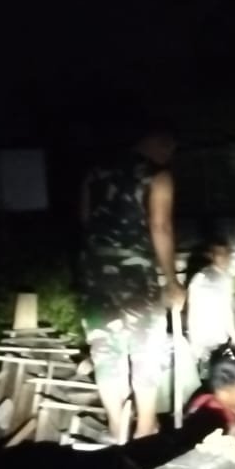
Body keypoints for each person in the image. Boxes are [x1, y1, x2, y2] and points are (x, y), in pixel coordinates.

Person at [77, 126, 185, 443]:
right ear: (161, 145)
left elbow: (85, 221)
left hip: (95, 274)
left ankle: (116, 429)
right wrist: (172, 280)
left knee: (105, 350)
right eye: (169, 151)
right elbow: (160, 227)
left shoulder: (94, 174)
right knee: (145, 348)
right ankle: (145, 429)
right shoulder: (157, 176)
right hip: (136, 275)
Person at [187, 240, 235, 365]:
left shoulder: (223, 277)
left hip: (215, 337)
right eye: (220, 254)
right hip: (205, 337)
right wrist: (233, 334)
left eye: (227, 254)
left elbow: (226, 308)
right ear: (211, 256)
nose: (225, 258)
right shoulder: (201, 279)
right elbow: (193, 310)